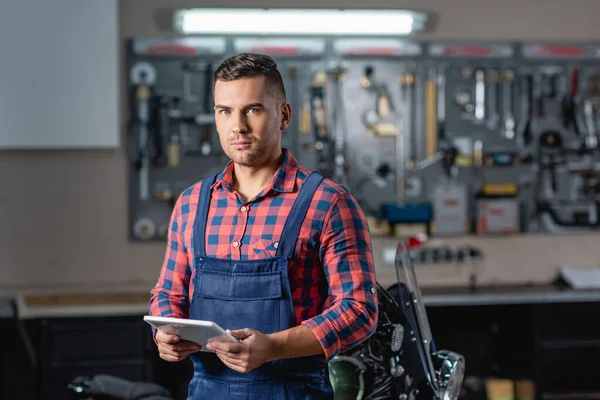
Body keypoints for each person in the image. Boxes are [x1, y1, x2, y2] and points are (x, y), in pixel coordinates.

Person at [149, 52, 378, 399]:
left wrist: (274, 346)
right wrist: (165, 330)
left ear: (283, 115)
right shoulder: (191, 204)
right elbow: (168, 293)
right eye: (225, 111)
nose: (237, 126)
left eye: (252, 109)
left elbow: (359, 309)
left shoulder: (329, 203)